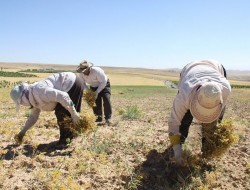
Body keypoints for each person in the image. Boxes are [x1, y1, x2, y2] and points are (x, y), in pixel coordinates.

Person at [168, 60, 231, 164]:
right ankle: (180, 143)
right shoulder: (184, 95)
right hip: (189, 69)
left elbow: (218, 113)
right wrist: (177, 152)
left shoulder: (225, 89)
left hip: (217, 68)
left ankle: (208, 152)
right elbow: (173, 123)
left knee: (212, 126)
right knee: (184, 119)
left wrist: (212, 122)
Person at [10, 72, 83, 145]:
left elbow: (63, 96)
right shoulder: (33, 98)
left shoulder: (39, 91)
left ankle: (65, 142)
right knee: (63, 111)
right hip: (69, 85)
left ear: (23, 99)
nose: (23, 104)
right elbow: (33, 117)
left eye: (21, 103)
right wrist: (22, 132)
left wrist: (74, 113)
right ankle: (73, 135)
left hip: (71, 83)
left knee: (61, 113)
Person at [76, 60, 113, 125]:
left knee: (106, 99)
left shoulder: (97, 71)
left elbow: (103, 82)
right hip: (93, 87)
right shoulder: (81, 75)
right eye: (82, 71)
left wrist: (97, 92)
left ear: (89, 68)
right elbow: (82, 84)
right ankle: (98, 117)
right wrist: (89, 91)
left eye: (85, 71)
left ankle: (108, 118)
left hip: (104, 85)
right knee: (95, 102)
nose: (83, 73)